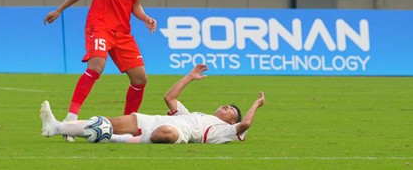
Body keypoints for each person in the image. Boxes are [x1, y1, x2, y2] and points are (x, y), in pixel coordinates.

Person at [44, 0, 157, 141]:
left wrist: (146, 18)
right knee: (96, 65)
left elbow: (136, 6)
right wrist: (60, 9)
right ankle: (70, 119)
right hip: (100, 25)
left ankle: (127, 124)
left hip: (123, 33)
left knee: (140, 79)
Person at [40, 64, 266, 144]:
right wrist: (189, 76)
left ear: (231, 121)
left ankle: (118, 140)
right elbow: (170, 98)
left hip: (178, 133)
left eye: (231, 111)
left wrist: (256, 104)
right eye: (226, 105)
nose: (226, 107)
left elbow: (245, 124)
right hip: (156, 121)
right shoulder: (196, 113)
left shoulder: (225, 131)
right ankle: (56, 127)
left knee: (166, 132)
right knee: (106, 122)